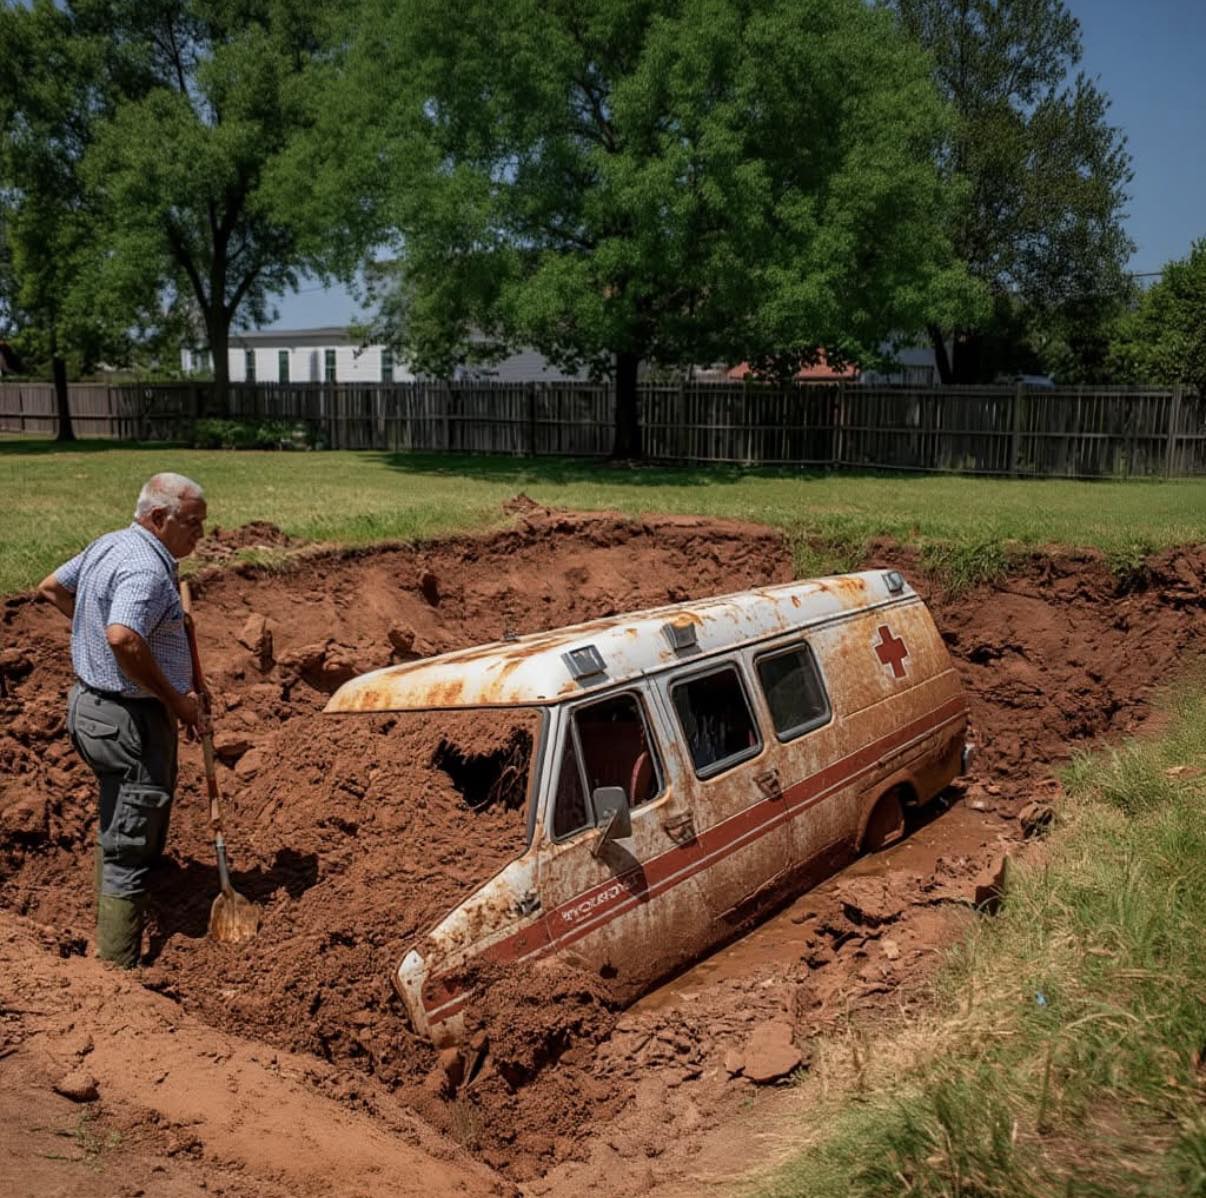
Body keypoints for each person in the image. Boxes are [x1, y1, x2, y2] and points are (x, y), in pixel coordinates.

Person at [37, 473, 209, 967]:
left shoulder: (110, 545)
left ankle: (123, 899)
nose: (200, 534)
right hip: (128, 721)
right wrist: (177, 700)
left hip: (90, 708)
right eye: (193, 523)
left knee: (124, 815)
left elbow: (52, 587)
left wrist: (90, 633)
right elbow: (122, 638)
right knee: (128, 846)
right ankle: (117, 975)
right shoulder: (148, 573)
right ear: (159, 519)